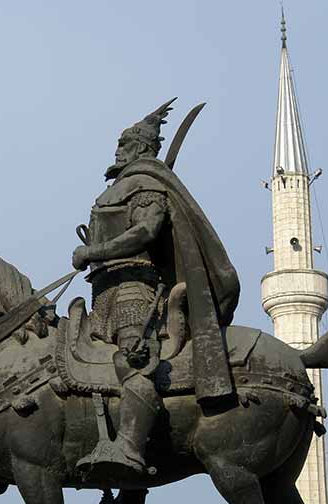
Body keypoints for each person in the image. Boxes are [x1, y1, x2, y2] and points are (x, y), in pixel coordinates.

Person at [72, 99, 240, 472]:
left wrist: (93, 249)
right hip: (104, 291)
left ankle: (130, 449)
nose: (118, 150)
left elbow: (146, 232)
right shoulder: (117, 188)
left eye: (125, 143)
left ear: (142, 148)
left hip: (136, 291)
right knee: (94, 371)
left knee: (134, 361)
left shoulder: (147, 185)